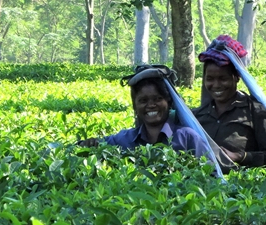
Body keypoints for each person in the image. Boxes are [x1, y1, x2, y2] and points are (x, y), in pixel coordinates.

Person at [192, 35, 266, 169]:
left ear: (236, 77)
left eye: (223, 78)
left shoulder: (255, 111)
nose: (216, 85)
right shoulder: (197, 115)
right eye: (210, 79)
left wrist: (241, 157)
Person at [78, 70, 214, 163]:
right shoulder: (125, 139)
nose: (151, 105)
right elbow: (88, 146)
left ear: (169, 101)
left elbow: (211, 176)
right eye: (143, 101)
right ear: (135, 106)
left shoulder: (187, 137)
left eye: (157, 99)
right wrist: (87, 144)